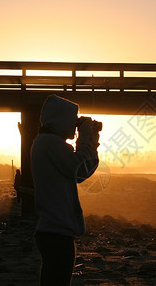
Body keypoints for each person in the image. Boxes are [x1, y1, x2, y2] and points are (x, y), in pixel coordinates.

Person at [31, 95, 100, 286]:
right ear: (60, 119)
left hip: (52, 231)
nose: (75, 124)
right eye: (73, 119)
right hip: (56, 232)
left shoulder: (46, 143)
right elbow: (79, 169)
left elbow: (80, 171)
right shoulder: (50, 143)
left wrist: (90, 142)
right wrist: (87, 138)